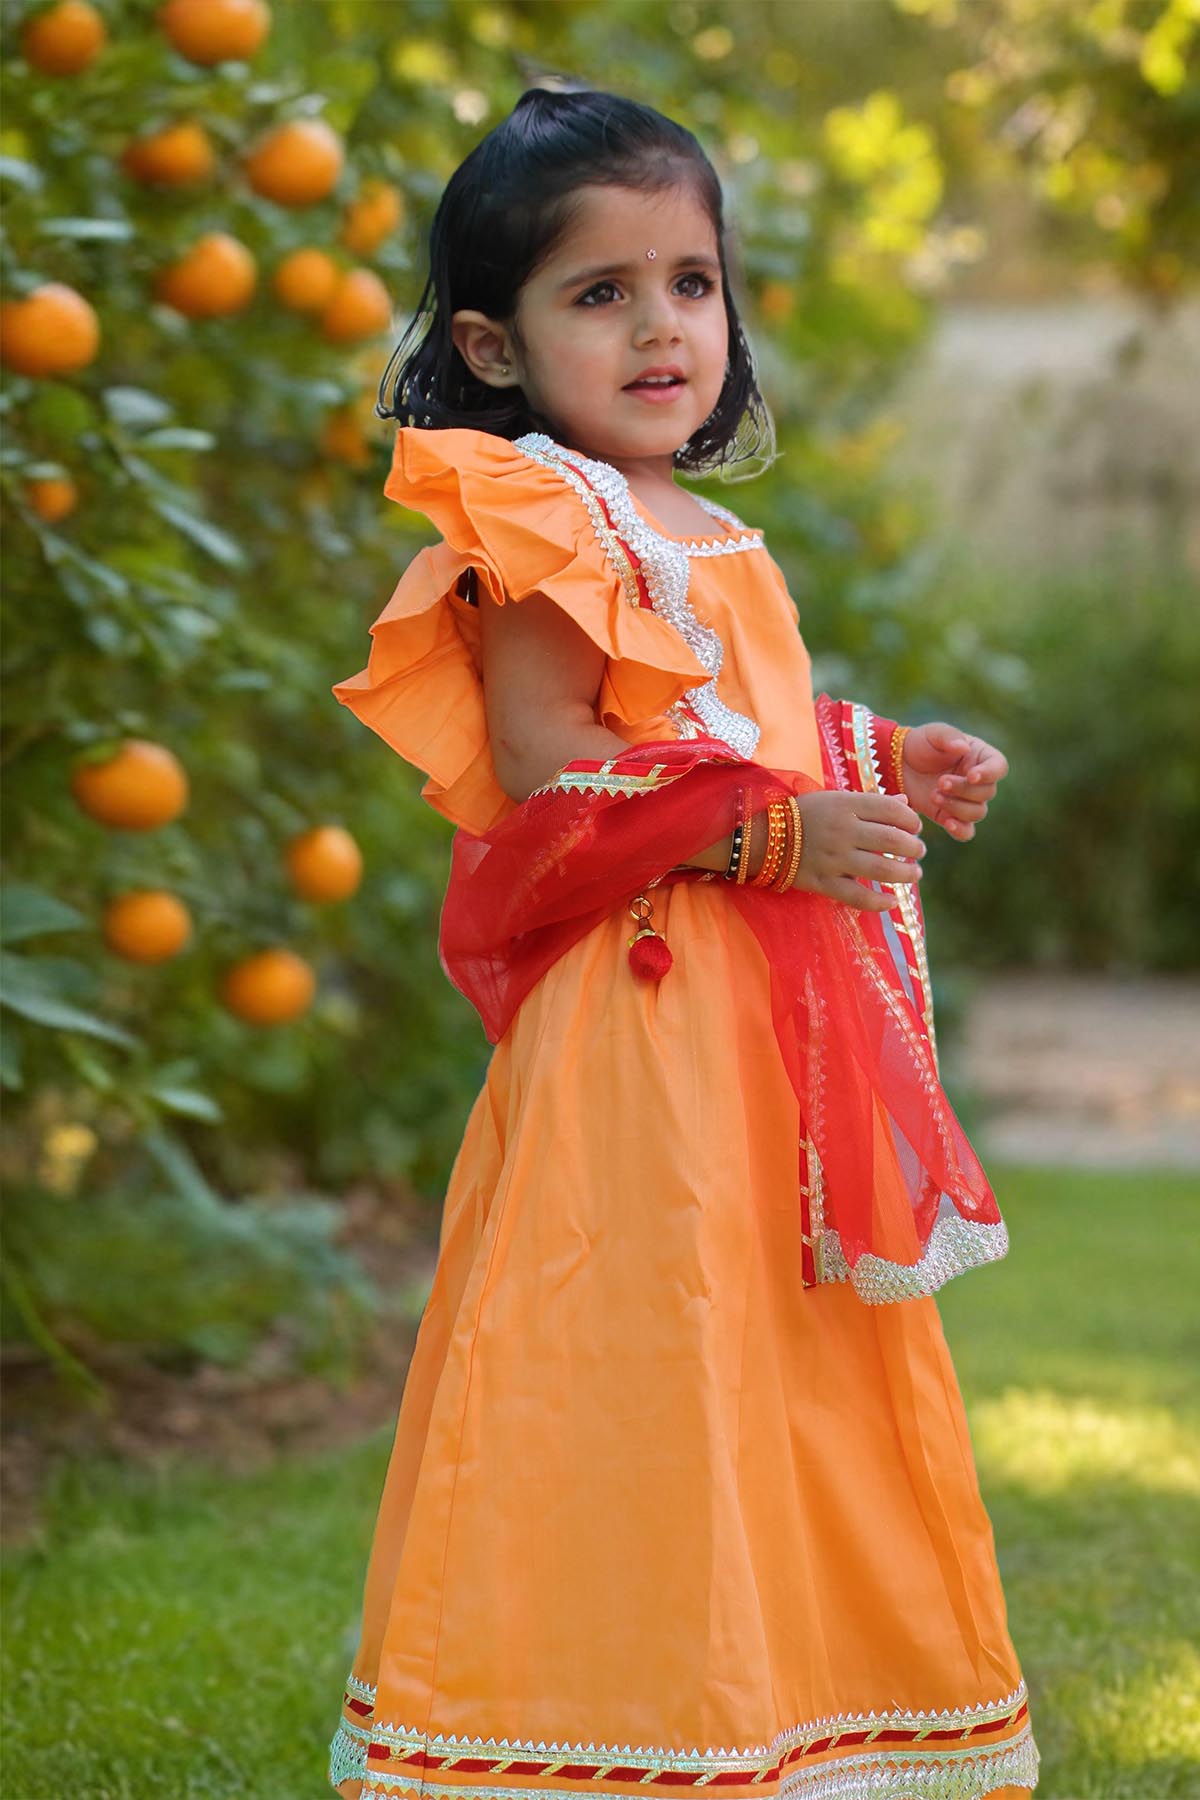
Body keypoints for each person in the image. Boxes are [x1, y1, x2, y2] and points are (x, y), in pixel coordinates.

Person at [326, 85, 1039, 1800]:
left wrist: (876, 757)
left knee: (773, 1345)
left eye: (692, 283)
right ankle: (607, 1712)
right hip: (641, 1027)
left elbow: (745, 729)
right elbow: (549, 758)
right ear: (493, 348)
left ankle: (786, 1708)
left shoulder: (714, 536)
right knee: (647, 1336)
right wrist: (767, 833)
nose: (663, 327)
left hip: (764, 1029)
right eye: (602, 293)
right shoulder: (546, 519)